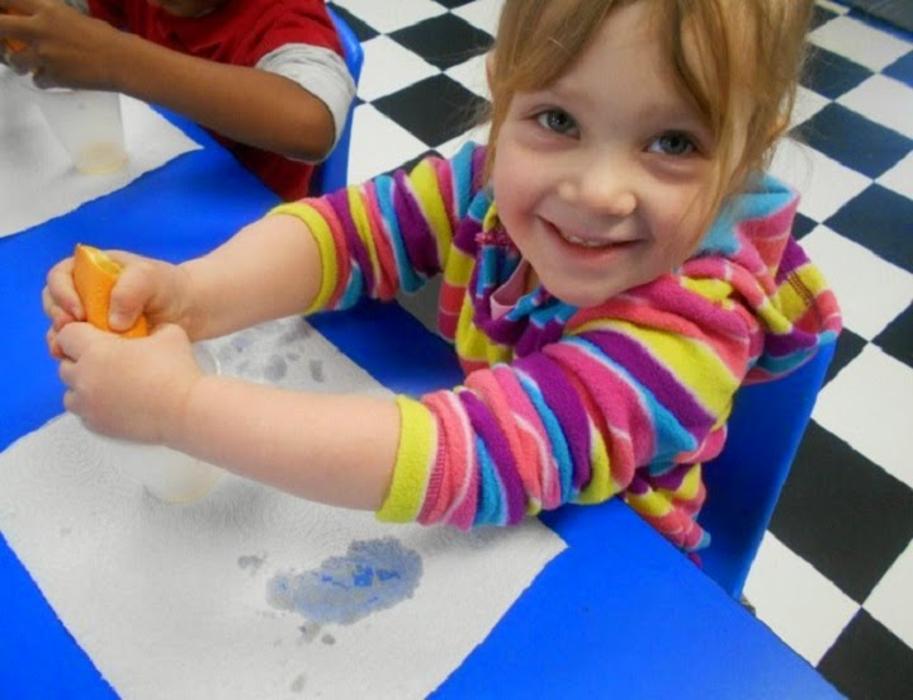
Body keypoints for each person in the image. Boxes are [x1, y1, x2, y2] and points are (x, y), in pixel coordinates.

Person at [42, 0, 840, 556]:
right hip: (491, 532)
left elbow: (470, 455)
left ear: (747, 152)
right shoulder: (489, 182)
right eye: (557, 120)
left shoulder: (691, 328)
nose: (598, 191)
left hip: (602, 574)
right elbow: (347, 235)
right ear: (504, 93)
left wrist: (179, 407)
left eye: (673, 144)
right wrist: (195, 295)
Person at [0, 0, 356, 199]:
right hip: (165, 186)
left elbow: (310, 124)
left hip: (254, 224)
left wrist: (114, 59)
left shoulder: (285, 16)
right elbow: (66, 21)